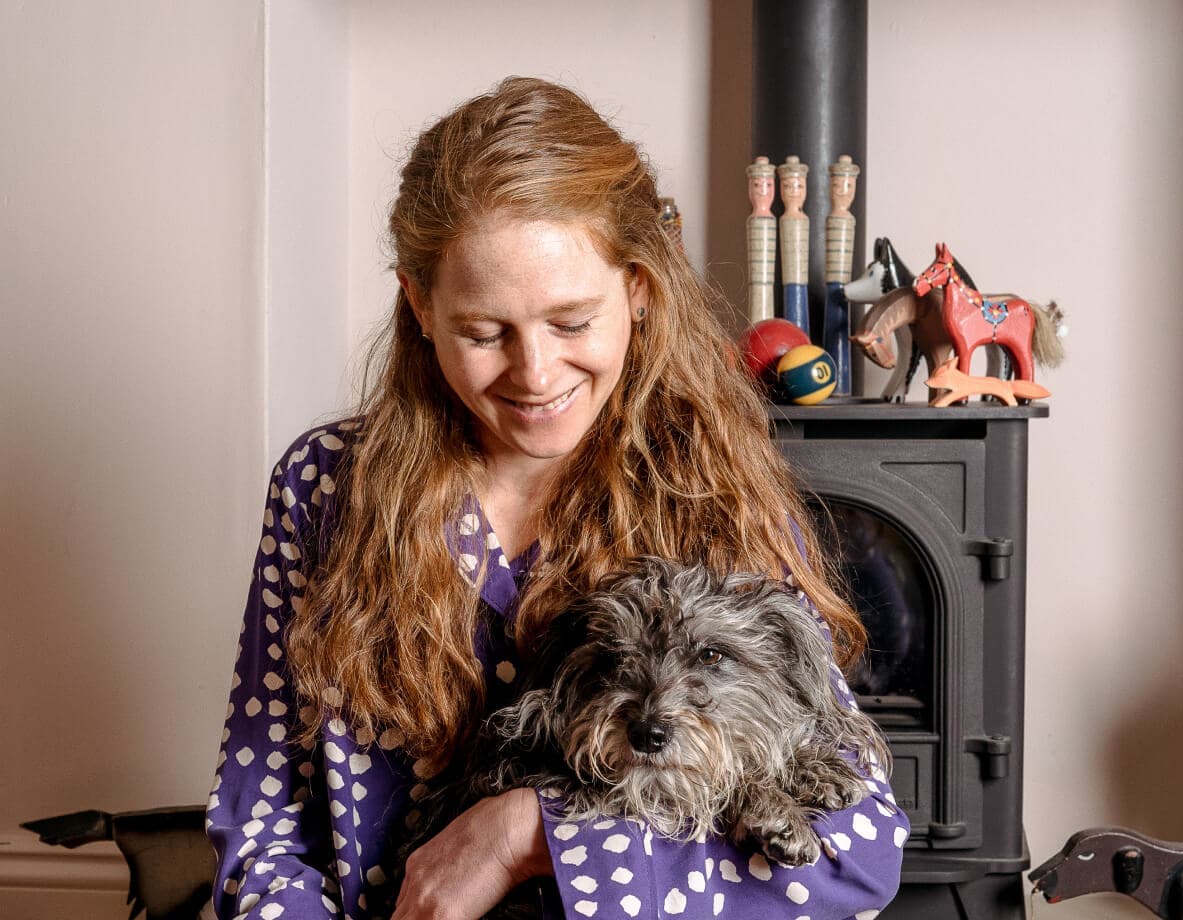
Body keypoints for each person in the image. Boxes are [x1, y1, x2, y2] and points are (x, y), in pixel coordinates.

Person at [207, 77, 907, 920]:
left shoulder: (717, 494)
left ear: (640, 290)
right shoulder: (325, 490)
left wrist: (530, 835)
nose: (536, 375)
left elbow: (859, 852)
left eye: (572, 322)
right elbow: (264, 830)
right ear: (419, 306)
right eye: (482, 330)